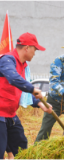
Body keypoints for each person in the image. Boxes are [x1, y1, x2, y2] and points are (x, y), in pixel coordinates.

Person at [0, 32, 52, 160]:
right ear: (27, 48)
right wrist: (32, 88)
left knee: (21, 147)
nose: (35, 53)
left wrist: (39, 103)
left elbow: (24, 91)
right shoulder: (7, 60)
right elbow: (13, 78)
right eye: (35, 49)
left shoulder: (23, 66)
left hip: (11, 115)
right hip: (0, 113)